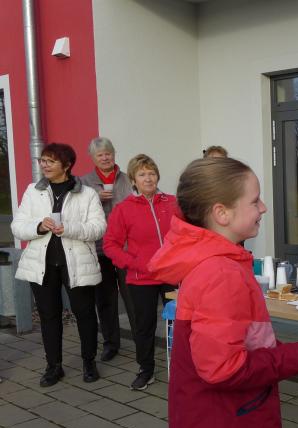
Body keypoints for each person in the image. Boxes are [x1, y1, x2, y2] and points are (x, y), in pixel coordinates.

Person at [148, 157, 298, 428]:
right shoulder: (220, 272)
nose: (264, 208)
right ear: (221, 213)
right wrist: (297, 356)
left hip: (220, 421)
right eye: (254, 200)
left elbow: (233, 342)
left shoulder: (219, 262)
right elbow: (223, 368)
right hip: (224, 425)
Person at [11, 143, 106, 386]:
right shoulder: (33, 191)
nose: (44, 165)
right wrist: (38, 226)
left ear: (66, 165)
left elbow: (98, 228)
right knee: (48, 316)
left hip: (78, 264)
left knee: (84, 314)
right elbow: (17, 227)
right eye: (43, 160)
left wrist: (70, 228)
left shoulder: (87, 193)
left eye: (50, 161)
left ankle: (89, 363)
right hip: (41, 265)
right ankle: (53, 367)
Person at [103, 154, 178, 390]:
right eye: (142, 174)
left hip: (172, 275)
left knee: (179, 323)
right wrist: (135, 263)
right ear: (133, 180)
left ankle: (182, 367)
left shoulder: (173, 203)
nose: (148, 178)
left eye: (152, 173)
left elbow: (188, 234)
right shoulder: (124, 209)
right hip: (141, 278)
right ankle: (146, 369)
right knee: (144, 326)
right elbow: (110, 245)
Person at [79, 137, 135, 362]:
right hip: (99, 247)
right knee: (105, 298)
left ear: (114, 154)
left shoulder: (128, 179)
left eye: (108, 154)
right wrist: (94, 198)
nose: (105, 158)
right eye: (100, 155)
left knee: (133, 296)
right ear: (93, 158)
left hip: (126, 247)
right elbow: (77, 212)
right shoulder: (84, 182)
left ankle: (141, 339)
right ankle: (111, 343)